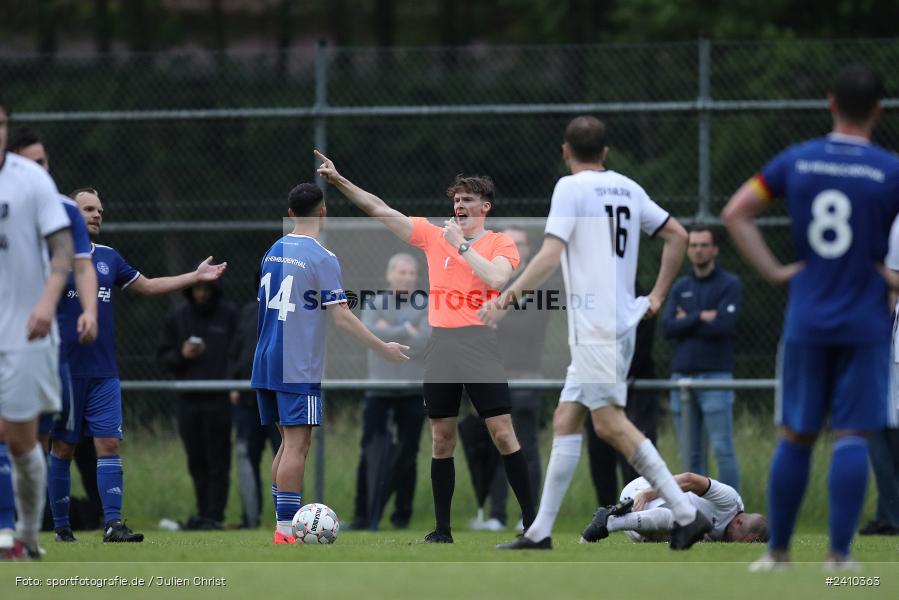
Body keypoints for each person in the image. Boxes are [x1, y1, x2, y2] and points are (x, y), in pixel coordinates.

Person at [481, 115, 711, 551]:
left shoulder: (570, 188)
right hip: (618, 322)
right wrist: (656, 296)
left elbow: (550, 254)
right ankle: (540, 532)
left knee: (609, 424)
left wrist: (505, 300)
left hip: (597, 327)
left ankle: (685, 513)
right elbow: (678, 235)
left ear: (565, 151)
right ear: (605, 152)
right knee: (566, 418)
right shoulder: (628, 187)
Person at [722, 64, 899, 570]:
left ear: (830, 103)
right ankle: (839, 558)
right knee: (852, 435)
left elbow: (736, 212)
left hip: (807, 318)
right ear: (879, 111)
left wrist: (777, 272)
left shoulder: (797, 160)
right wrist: (889, 276)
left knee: (796, 434)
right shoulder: (889, 169)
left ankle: (777, 553)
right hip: (866, 321)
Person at [316, 151, 538, 544]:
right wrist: (339, 180)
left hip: (479, 345)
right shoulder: (434, 235)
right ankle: (442, 531)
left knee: (503, 433)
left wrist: (463, 247)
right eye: (456, 199)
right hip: (443, 347)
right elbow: (380, 209)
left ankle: (534, 525)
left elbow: (497, 279)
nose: (459, 205)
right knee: (441, 438)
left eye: (468, 200)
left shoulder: (499, 242)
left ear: (485, 207)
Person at [48, 188, 228, 543]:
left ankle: (113, 524)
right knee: (63, 449)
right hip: (63, 373)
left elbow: (148, 286)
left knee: (109, 445)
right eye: (88, 209)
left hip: (104, 375)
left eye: (100, 210)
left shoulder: (108, 257)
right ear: (69, 214)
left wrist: (195, 276)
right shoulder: (50, 258)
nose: (96, 215)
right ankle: (61, 528)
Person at [251, 182, 409, 545]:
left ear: (290, 213)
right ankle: (286, 531)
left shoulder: (273, 250)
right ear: (323, 212)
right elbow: (342, 317)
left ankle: (281, 527)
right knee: (298, 445)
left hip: (265, 358)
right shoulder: (322, 257)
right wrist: (382, 346)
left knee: (286, 443)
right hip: (297, 363)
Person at [7, 126, 103, 531]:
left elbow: (78, 264)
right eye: (32, 163)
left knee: (32, 440)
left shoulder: (62, 209)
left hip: (40, 339)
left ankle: (28, 531)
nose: (40, 170)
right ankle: (8, 528)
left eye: (44, 162)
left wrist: (88, 311)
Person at [0, 95, 75, 559]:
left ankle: (27, 532)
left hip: (25, 333)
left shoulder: (31, 181)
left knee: (21, 441)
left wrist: (47, 303)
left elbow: (63, 250)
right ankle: (6, 532)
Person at [465, 226, 548, 532]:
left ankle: (530, 516)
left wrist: (495, 314)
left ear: (528, 251)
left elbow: (528, 329)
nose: (517, 248)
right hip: (490, 375)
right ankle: (496, 515)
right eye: (511, 243)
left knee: (526, 447)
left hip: (525, 378)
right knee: (495, 446)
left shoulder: (536, 287)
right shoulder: (489, 281)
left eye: (521, 243)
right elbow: (474, 321)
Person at [348, 252, 430, 531]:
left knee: (408, 454)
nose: (406, 277)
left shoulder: (426, 304)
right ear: (389, 275)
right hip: (379, 391)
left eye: (411, 273)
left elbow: (424, 342)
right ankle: (362, 515)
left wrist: (388, 334)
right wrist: (406, 329)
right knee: (370, 452)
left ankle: (401, 516)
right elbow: (369, 335)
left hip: (412, 391)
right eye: (401, 272)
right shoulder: (374, 303)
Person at [662, 225, 741, 490]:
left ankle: (733, 508)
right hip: (682, 378)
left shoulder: (729, 284)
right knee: (690, 454)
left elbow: (725, 326)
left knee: (722, 448)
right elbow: (668, 328)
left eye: (704, 245)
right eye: (693, 245)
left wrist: (687, 319)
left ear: (715, 249)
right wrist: (701, 316)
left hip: (716, 376)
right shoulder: (680, 286)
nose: (698, 250)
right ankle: (696, 509)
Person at [158, 281, 239, 530]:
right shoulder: (177, 317)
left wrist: (233, 382)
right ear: (191, 290)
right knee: (196, 460)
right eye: (197, 289)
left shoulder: (229, 315)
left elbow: (238, 352)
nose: (202, 294)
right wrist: (182, 355)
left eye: (206, 289)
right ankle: (203, 513)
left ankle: (214, 516)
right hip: (188, 400)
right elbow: (163, 357)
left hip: (219, 399)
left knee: (218, 460)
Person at [585, 286, 660, 507]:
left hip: (635, 390)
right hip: (600, 385)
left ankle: (639, 509)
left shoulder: (641, 299)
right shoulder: (595, 299)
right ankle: (606, 512)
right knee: (599, 453)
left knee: (634, 453)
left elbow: (639, 349)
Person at [228, 271, 281, 529]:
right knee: (247, 458)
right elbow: (235, 350)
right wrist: (233, 382)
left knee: (287, 453)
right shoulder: (248, 313)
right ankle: (250, 519)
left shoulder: (287, 312)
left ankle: (290, 516)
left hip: (278, 396)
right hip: (248, 400)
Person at [581, 472, 767, 545]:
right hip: (643, 491)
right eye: (744, 541)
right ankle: (609, 522)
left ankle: (611, 522)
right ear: (739, 522)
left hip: (641, 528)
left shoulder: (723, 538)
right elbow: (689, 480)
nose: (738, 545)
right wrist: (646, 494)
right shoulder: (730, 500)